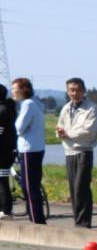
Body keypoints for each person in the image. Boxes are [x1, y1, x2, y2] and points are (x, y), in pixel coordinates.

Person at [56, 77, 97, 228]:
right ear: (67, 92)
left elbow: (88, 131)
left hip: (84, 151)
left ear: (83, 91)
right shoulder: (66, 108)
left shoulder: (91, 108)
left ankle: (84, 222)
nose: (74, 93)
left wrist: (67, 133)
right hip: (69, 151)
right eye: (71, 90)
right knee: (73, 189)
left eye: (77, 90)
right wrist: (61, 133)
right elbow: (59, 126)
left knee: (82, 187)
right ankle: (77, 220)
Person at [11, 78, 46, 225]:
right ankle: (37, 217)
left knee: (29, 187)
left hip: (28, 149)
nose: (13, 92)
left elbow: (19, 127)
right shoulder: (36, 103)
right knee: (33, 185)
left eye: (15, 89)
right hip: (38, 147)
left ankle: (36, 220)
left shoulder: (27, 104)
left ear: (23, 89)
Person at [0, 84, 15, 220]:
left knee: (2, 181)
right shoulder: (9, 107)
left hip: (2, 152)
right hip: (9, 150)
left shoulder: (1, 111)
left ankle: (5, 210)